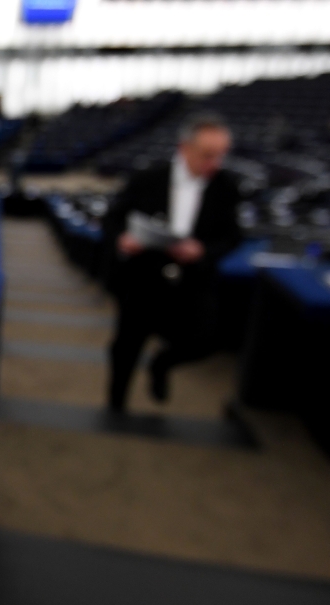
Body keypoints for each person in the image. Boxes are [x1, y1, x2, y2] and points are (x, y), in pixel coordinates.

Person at [101, 113, 242, 413]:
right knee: (126, 346)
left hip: (193, 280)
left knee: (205, 340)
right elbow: (112, 219)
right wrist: (121, 240)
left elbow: (232, 236)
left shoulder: (227, 186)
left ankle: (161, 364)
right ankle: (115, 402)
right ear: (185, 149)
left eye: (220, 155)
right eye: (208, 155)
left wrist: (202, 250)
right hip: (144, 277)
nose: (215, 163)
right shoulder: (147, 179)